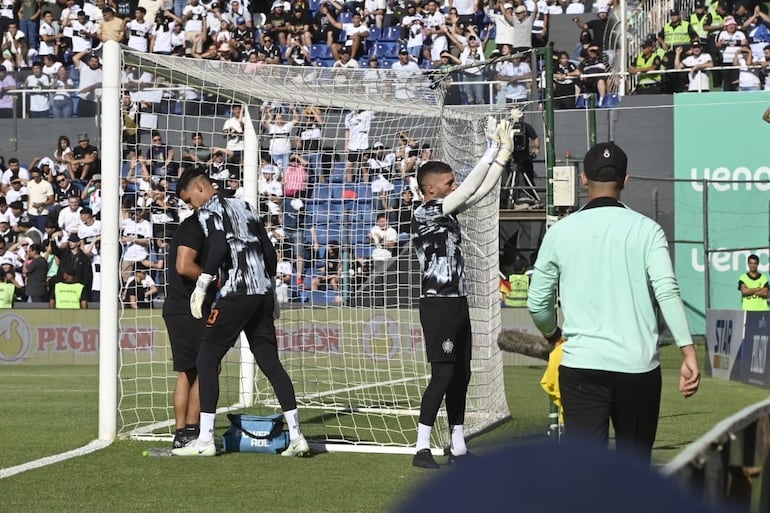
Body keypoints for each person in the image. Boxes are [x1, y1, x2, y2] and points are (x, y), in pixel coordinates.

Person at [527, 141, 701, 464]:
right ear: (625, 180)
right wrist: (687, 351)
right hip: (638, 367)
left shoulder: (560, 231)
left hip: (582, 366)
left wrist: (553, 336)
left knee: (586, 471)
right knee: (633, 472)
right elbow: (667, 290)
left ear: (582, 180)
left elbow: (538, 302)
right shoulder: (648, 230)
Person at [172, 168, 309, 457]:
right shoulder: (244, 205)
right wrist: (270, 288)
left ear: (199, 188)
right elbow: (269, 251)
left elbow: (220, 246)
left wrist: (203, 283)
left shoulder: (210, 209)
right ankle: (297, 437)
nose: (190, 207)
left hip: (236, 293)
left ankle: (205, 440)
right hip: (261, 295)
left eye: (188, 200)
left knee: (206, 359)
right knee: (271, 364)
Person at [410, 114, 517, 469]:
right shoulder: (425, 212)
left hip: (458, 303)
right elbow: (470, 188)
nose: (455, 186)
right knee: (442, 375)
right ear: (431, 189)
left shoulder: (448, 211)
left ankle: (457, 446)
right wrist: (489, 150)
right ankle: (421, 447)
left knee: (462, 375)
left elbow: (481, 191)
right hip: (437, 304)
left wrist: (503, 154)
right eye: (448, 182)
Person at [162, 214, 208, 449]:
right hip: (190, 308)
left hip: (176, 306)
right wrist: (213, 280)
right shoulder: (196, 227)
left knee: (186, 371)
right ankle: (191, 430)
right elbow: (184, 266)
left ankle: (181, 433)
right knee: (206, 367)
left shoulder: (187, 227)